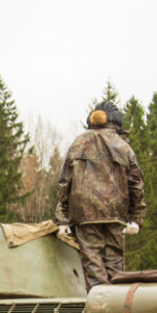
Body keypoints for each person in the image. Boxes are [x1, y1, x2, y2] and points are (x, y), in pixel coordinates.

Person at [55, 101, 146, 291]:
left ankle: (100, 310)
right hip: (116, 214)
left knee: (93, 267)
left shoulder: (78, 143)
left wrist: (62, 219)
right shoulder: (122, 146)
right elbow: (136, 184)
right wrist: (136, 218)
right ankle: (116, 310)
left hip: (84, 214)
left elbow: (64, 182)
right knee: (116, 268)